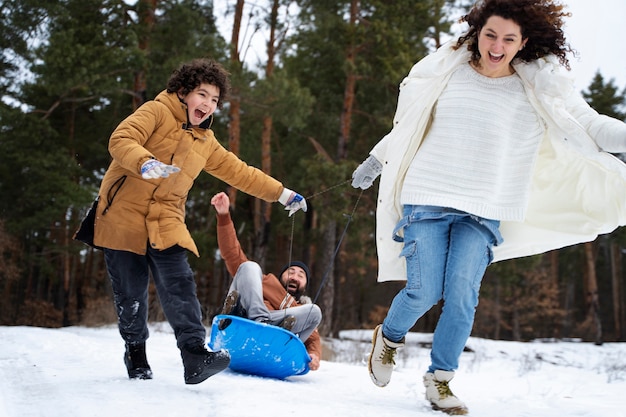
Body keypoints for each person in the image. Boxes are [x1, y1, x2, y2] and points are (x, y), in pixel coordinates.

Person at [351, 0, 626, 414]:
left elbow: (590, 124)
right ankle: (389, 338)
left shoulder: (538, 88)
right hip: (428, 194)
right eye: (490, 35)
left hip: (485, 206)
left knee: (461, 297)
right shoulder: (449, 73)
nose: (497, 46)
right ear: (477, 33)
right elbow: (410, 124)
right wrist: (376, 158)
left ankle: (440, 381)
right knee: (424, 290)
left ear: (523, 42)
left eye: (508, 39)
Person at [89, 58, 307, 385]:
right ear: (183, 92)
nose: (207, 104)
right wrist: (145, 163)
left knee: (180, 283)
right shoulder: (156, 111)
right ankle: (135, 352)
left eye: (215, 100)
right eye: (202, 95)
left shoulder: (204, 142)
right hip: (122, 215)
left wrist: (282, 193)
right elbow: (121, 139)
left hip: (166, 219)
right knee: (131, 295)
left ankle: (194, 354)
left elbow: (240, 172)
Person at [211, 191, 323, 371]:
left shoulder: (299, 309)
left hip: (278, 339)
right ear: (281, 276)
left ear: (305, 285)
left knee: (315, 312)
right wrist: (224, 216)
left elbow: (314, 340)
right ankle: (255, 319)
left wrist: (315, 356)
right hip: (245, 318)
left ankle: (277, 333)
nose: (294, 276)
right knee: (249, 266)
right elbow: (232, 253)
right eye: (291, 271)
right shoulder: (265, 282)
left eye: (301, 275)